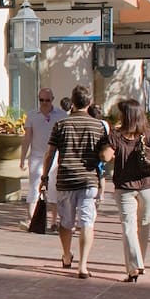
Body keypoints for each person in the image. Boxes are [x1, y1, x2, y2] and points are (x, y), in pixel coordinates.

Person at [38, 84, 110, 279]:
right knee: (87, 222)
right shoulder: (98, 126)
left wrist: (44, 177)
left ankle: (67, 254)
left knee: (66, 222)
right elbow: (106, 155)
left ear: (73, 102)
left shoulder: (61, 125)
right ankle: (83, 265)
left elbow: (50, 153)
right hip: (89, 179)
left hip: (66, 178)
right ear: (89, 103)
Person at [107, 98, 150, 282]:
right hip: (147, 186)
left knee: (129, 226)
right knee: (143, 225)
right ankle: (139, 263)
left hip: (124, 187)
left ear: (125, 115)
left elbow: (105, 156)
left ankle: (135, 266)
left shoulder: (116, 136)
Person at [21, 88, 67, 228]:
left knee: (54, 188)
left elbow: (65, 138)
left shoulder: (61, 115)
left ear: (52, 99)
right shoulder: (32, 115)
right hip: (36, 156)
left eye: (47, 100)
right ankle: (31, 220)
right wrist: (22, 157)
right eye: (41, 100)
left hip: (55, 157)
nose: (44, 103)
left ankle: (53, 221)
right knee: (34, 187)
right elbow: (27, 137)